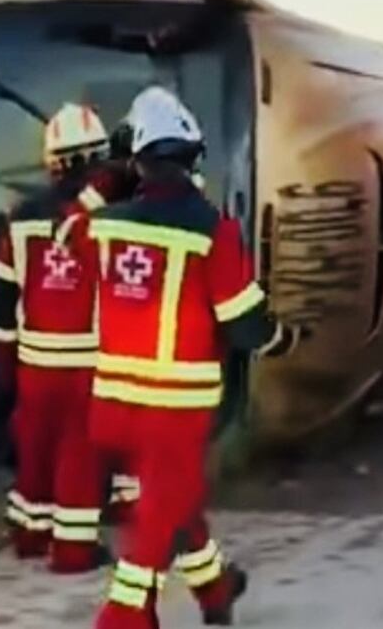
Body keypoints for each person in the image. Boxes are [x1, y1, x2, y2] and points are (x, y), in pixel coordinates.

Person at [84, 87, 303, 628]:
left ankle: (215, 588)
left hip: (111, 403)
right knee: (156, 520)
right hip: (174, 409)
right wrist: (285, 338)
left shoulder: (104, 225)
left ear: (136, 159)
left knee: (171, 502)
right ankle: (124, 615)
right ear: (192, 157)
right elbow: (245, 322)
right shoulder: (213, 229)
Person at [0, 102, 137, 573]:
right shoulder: (114, 214)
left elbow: (1, 297)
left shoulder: (21, 215)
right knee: (79, 454)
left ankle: (30, 536)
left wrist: (4, 363)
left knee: (34, 447)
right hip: (90, 362)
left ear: (52, 161)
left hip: (35, 361)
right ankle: (74, 551)